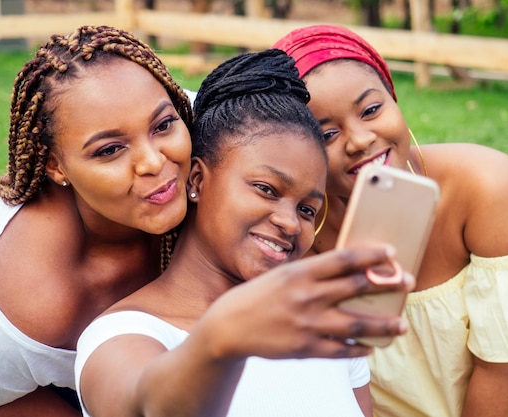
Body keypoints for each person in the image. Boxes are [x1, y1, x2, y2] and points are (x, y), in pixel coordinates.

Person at [0, 25, 411, 417]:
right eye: (109, 150)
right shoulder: (36, 297)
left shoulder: (203, 128)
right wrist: (220, 338)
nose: (154, 162)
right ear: (57, 166)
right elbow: (142, 399)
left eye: (163, 126)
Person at [75, 49, 414, 417]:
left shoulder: (325, 325)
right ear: (198, 180)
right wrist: (221, 340)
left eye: (306, 210)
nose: (289, 223)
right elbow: (146, 404)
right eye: (266, 189)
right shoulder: (122, 335)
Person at [273, 24, 508, 417]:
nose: (359, 140)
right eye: (326, 134)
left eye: (371, 110)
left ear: (394, 97)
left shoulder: (488, 188)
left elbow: (501, 369)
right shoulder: (293, 238)